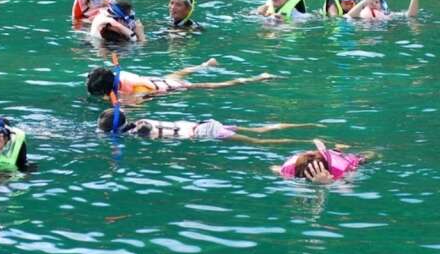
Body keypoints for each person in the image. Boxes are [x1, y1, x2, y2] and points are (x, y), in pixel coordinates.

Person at [98, 108, 322, 144]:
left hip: (206, 131)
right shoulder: (141, 122)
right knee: (260, 130)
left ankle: (302, 140)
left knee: (260, 142)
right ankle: (308, 124)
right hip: (205, 124)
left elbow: (145, 133)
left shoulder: (140, 131)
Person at [86, 58, 276, 100]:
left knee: (215, 86)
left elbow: (140, 102)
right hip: (161, 80)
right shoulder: (120, 75)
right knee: (180, 72)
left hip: (169, 88)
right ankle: (205, 65)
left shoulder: (130, 89)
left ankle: (257, 78)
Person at [272, 139, 372, 184]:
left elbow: (347, 189)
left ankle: (339, 147)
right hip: (331, 157)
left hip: (344, 158)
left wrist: (329, 183)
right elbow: (274, 168)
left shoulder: (341, 169)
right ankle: (337, 146)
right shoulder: (290, 168)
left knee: (368, 155)